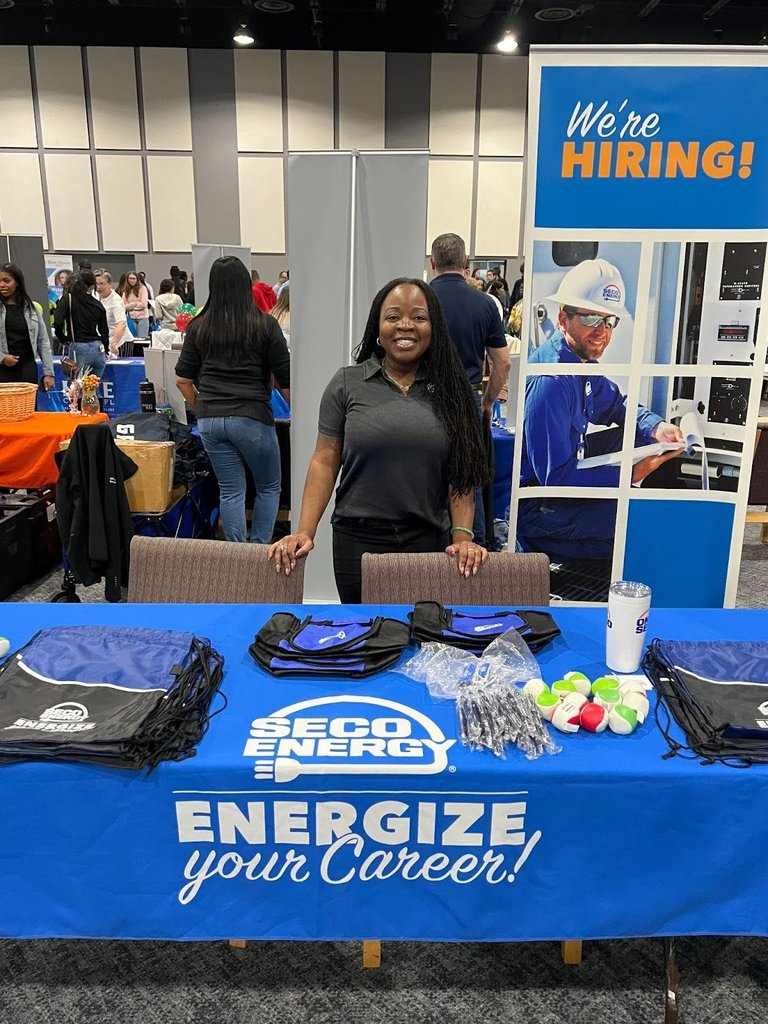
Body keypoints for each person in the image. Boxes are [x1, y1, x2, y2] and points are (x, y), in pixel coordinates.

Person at [267, 277, 489, 603]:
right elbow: (324, 459)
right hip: (357, 541)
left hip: (428, 540)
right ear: (378, 326)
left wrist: (463, 537)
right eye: (393, 317)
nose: (405, 326)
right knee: (364, 634)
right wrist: (303, 531)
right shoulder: (347, 384)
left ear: (434, 327)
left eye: (419, 317)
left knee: (421, 633)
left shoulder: (453, 392)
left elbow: (462, 475)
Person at [518, 258, 684, 561]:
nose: (602, 331)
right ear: (563, 319)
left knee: (646, 439)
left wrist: (657, 427)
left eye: (609, 321)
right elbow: (555, 479)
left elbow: (617, 405)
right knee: (637, 528)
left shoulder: (579, 363)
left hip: (567, 470)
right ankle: (536, 546)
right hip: (538, 504)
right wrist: (630, 475)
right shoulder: (551, 381)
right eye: (591, 318)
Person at [175, 256, 290, 544]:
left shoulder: (198, 327)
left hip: (211, 421)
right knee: (268, 487)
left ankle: (237, 557)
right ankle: (261, 552)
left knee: (231, 490)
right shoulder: (265, 325)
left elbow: (182, 380)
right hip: (252, 417)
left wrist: (201, 407)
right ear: (246, 285)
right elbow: (285, 379)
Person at [429, 232, 510, 545]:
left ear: (433, 263)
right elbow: (502, 363)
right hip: (467, 398)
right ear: (465, 263)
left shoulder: (420, 299)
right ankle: (471, 561)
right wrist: (488, 402)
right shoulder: (485, 303)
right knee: (468, 479)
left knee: (426, 477)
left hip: (424, 399)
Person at [0, 263, 55, 391]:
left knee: (28, 409)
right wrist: (2, 358)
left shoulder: (32, 309)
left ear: (17, 282)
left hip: (27, 369)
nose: (2, 285)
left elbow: (43, 341)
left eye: (6, 281)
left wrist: (48, 373)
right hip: (2, 371)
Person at [53, 269, 108, 376]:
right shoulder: (97, 304)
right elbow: (104, 331)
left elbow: (58, 323)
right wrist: (106, 349)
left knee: (78, 389)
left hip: (79, 348)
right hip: (98, 349)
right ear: (92, 286)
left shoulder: (67, 299)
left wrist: (63, 339)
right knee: (92, 387)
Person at [94, 270, 130, 357]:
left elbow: (121, 324)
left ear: (109, 284)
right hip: (104, 341)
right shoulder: (95, 296)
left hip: (120, 342)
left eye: (102, 284)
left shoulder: (116, 301)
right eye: (96, 284)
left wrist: (114, 343)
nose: (98, 287)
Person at [122, 271, 150, 339]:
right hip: (130, 318)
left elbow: (143, 304)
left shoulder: (143, 288)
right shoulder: (125, 291)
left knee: (142, 339)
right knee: (131, 339)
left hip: (143, 317)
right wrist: (135, 304)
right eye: (130, 278)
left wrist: (131, 306)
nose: (132, 280)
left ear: (137, 279)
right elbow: (123, 306)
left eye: (134, 278)